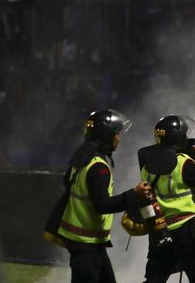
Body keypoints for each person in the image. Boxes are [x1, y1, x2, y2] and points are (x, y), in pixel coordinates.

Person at [44, 109, 152, 283]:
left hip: (85, 243)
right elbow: (103, 205)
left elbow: (68, 184)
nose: (119, 138)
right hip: (87, 245)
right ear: (107, 136)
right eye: (117, 133)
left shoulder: (82, 159)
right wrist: (134, 194)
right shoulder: (98, 167)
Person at [138, 115, 195, 283]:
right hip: (187, 231)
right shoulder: (184, 163)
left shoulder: (147, 166)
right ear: (178, 136)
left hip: (161, 231)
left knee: (155, 279)